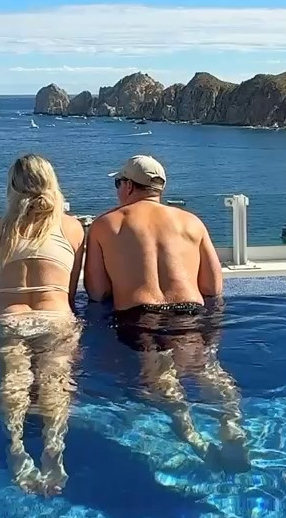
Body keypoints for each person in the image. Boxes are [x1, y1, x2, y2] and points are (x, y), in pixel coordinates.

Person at [85, 155, 248, 469]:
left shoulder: (107, 224)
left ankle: (194, 439)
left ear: (130, 186)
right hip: (190, 312)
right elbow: (213, 287)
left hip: (140, 316)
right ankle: (231, 423)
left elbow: (97, 292)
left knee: (162, 383)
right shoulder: (191, 222)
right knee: (209, 372)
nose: (117, 189)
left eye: (118, 183)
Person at [0, 154, 85, 495]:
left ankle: (15, 447)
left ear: (12, 187)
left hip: (9, 319)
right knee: (54, 383)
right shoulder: (71, 227)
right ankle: (53, 451)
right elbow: (70, 293)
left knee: (13, 380)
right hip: (55, 318)